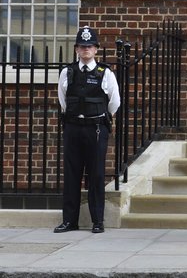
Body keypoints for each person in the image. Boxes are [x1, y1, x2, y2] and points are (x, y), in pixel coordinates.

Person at [54, 26, 121, 234]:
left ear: (96, 49)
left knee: (96, 175)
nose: (86, 49)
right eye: (82, 46)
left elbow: (115, 103)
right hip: (73, 127)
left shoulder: (105, 73)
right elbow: (63, 100)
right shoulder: (67, 72)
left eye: (90, 46)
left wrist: (98, 118)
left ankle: (97, 221)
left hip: (96, 129)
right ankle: (69, 221)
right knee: (71, 174)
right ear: (76, 49)